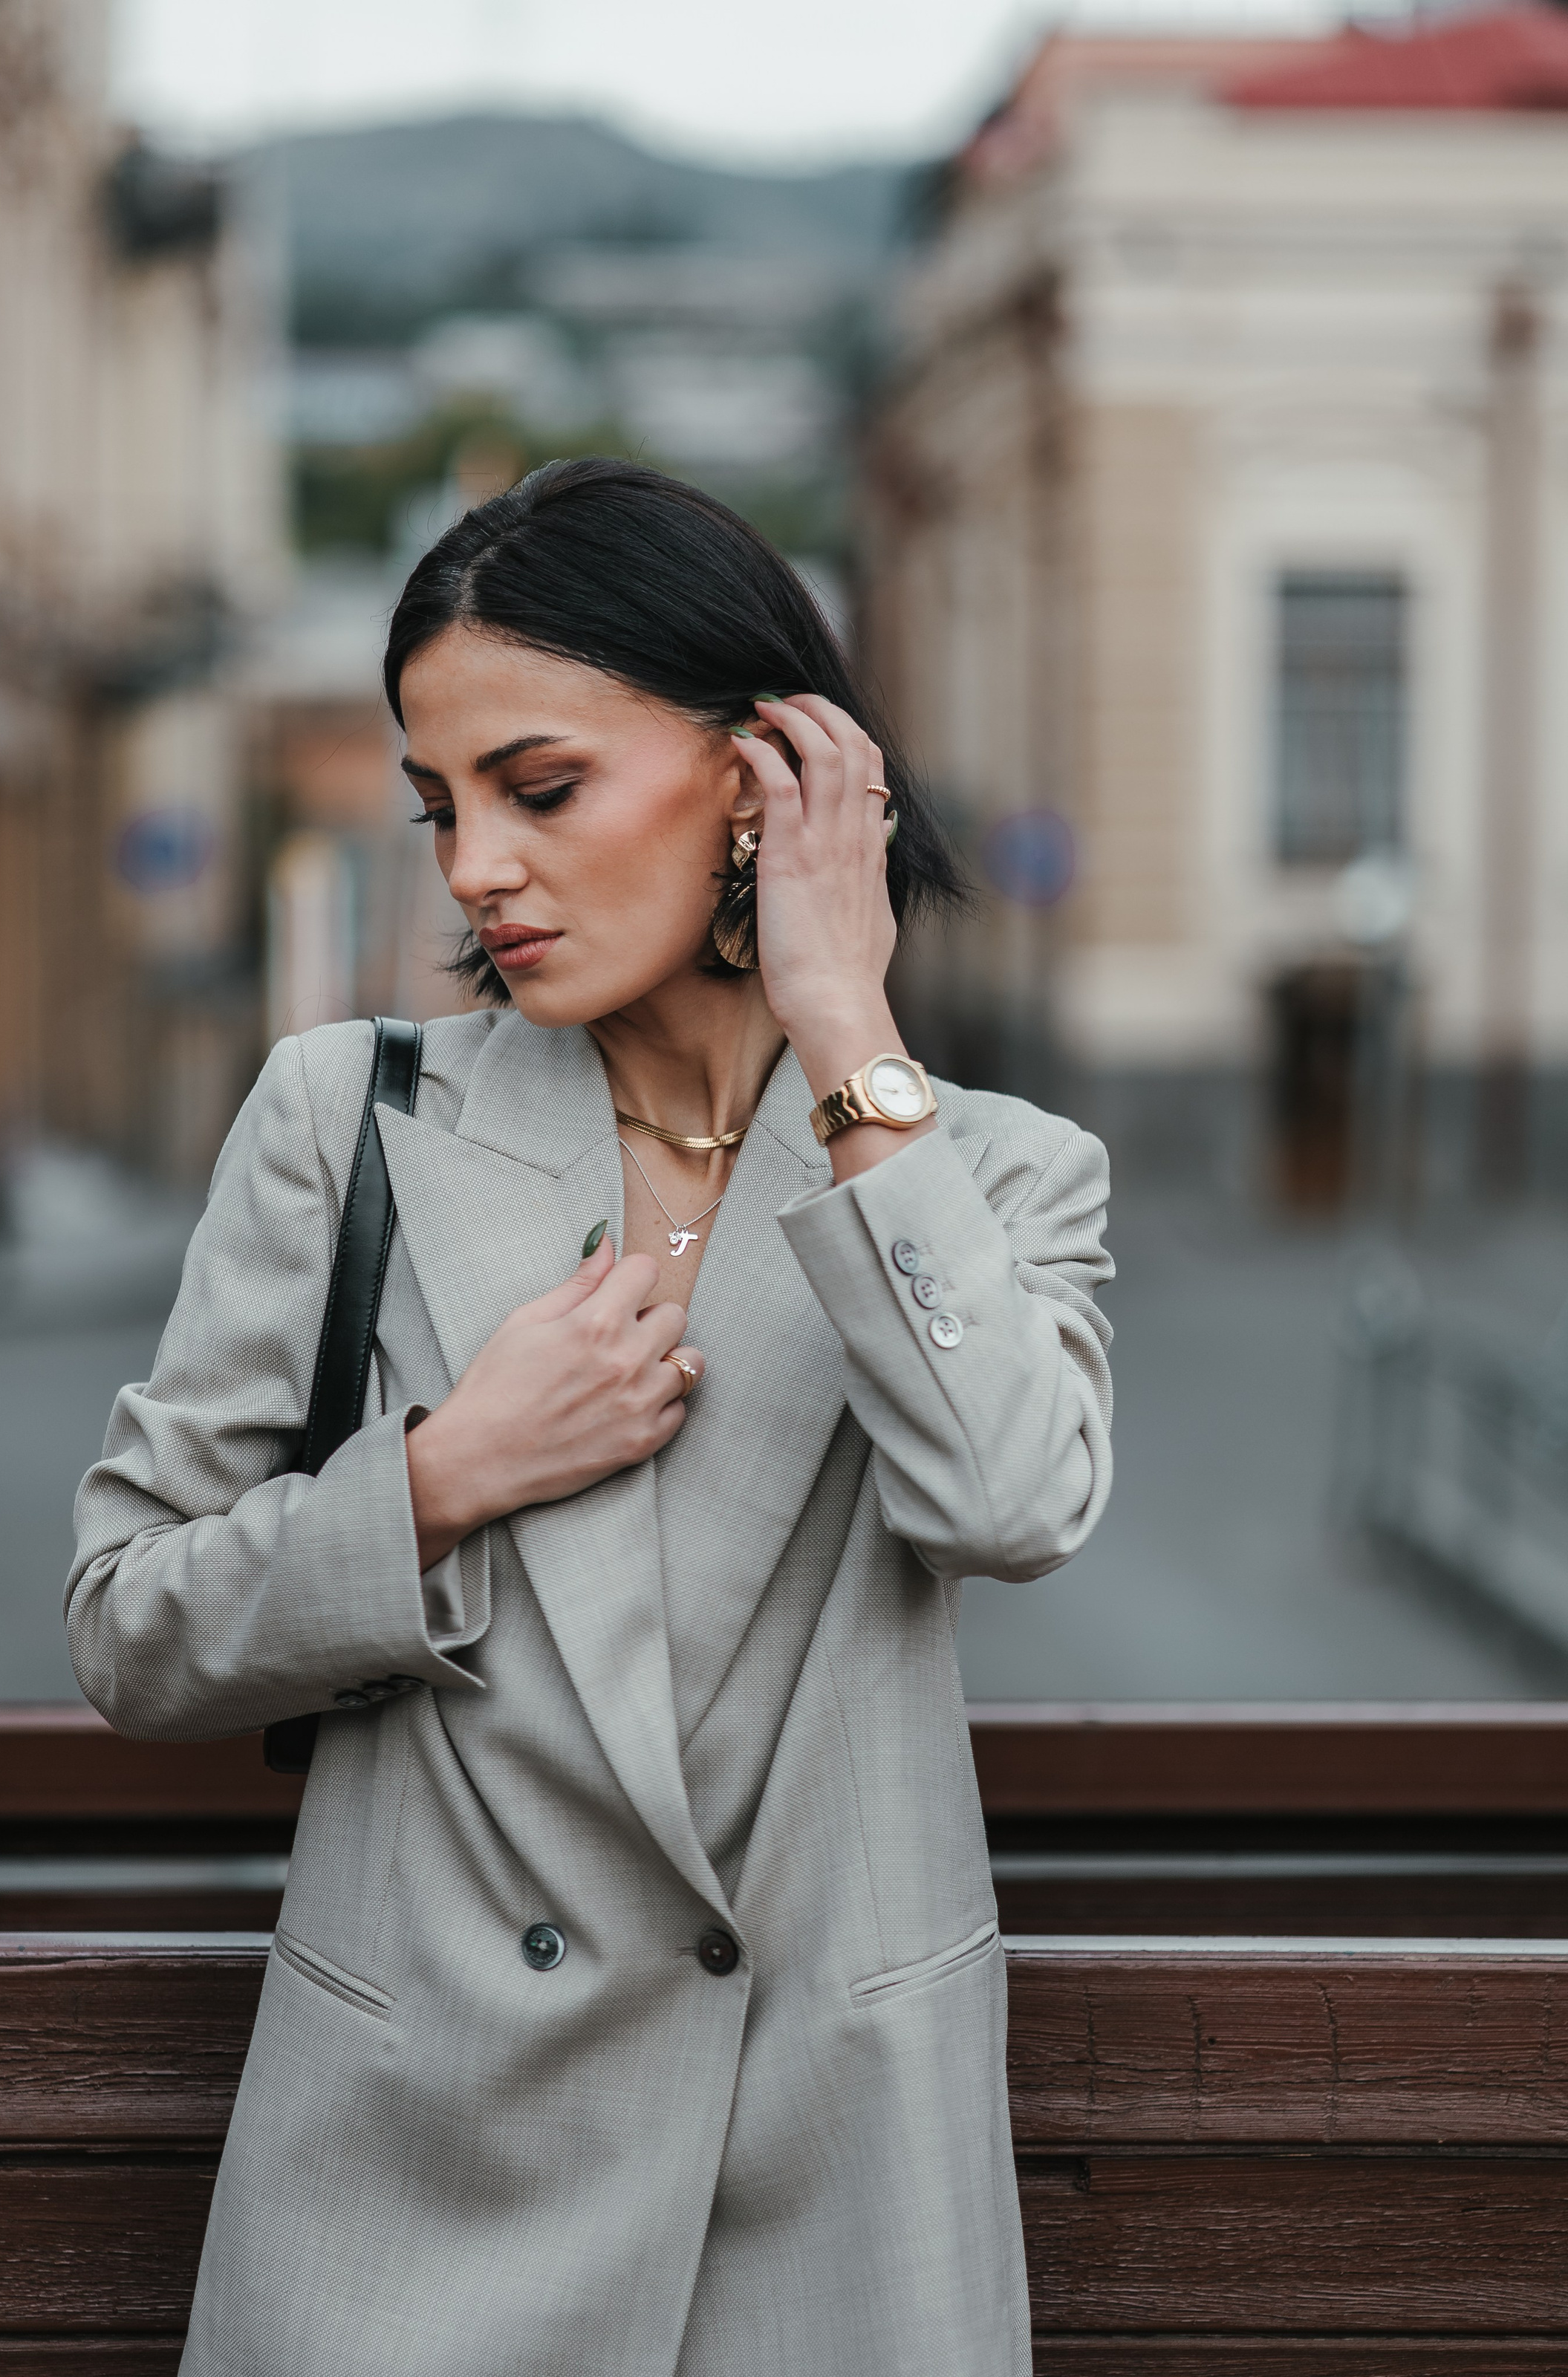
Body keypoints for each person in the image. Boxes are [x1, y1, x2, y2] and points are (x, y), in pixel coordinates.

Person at [67, 458, 1115, 2377]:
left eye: (538, 790)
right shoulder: (345, 1116)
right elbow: (132, 1625)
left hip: (826, 2188)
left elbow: (1012, 1495)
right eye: (440, 806)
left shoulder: (989, 1172)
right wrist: (447, 1476)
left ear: (762, 778)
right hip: (413, 2190)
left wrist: (845, 1027)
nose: (472, 869)